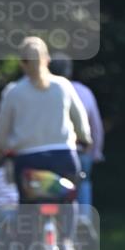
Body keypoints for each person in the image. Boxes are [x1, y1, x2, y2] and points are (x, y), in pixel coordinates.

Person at [0, 37, 92, 250]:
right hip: (63, 157)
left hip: (28, 160)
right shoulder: (63, 86)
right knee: (68, 199)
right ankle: (66, 241)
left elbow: (0, 129)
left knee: (27, 207)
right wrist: (84, 140)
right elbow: (81, 122)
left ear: (21, 63)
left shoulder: (14, 92)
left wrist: (0, 149)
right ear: (47, 59)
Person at [49, 53, 104, 238]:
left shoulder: (42, 90)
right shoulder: (84, 92)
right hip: (79, 150)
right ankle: (83, 217)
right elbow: (95, 127)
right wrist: (95, 152)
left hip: (49, 151)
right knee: (83, 182)